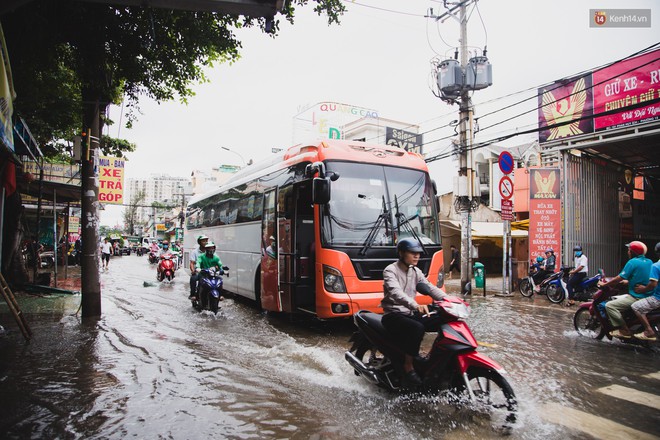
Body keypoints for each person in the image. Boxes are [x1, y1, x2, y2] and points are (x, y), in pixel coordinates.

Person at [381, 238, 448, 389]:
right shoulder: (390, 270)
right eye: (412, 253)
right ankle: (408, 365)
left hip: (410, 312)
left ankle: (435, 360)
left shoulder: (416, 271)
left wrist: (449, 300)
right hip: (393, 315)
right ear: (401, 253)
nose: (417, 256)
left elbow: (430, 288)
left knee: (442, 319)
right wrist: (416, 305)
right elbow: (396, 293)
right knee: (417, 328)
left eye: (418, 253)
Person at [600, 241, 653, 339]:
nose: (628, 252)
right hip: (649, 295)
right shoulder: (649, 262)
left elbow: (619, 278)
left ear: (633, 252)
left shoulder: (632, 262)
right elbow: (643, 277)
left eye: (629, 250)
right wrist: (628, 282)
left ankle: (624, 330)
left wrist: (605, 284)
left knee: (610, 305)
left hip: (637, 297)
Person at [631, 242, 660, 341]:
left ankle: (648, 330)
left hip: (657, 299)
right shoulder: (650, 263)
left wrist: (642, 289)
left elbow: (653, 284)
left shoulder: (656, 266)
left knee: (636, 306)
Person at [189, 235, 209, 300]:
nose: (205, 242)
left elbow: (215, 261)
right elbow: (192, 263)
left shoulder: (210, 251)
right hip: (198, 272)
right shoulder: (194, 252)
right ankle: (193, 294)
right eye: (203, 241)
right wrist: (193, 271)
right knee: (193, 278)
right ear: (199, 242)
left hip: (208, 272)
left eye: (206, 241)